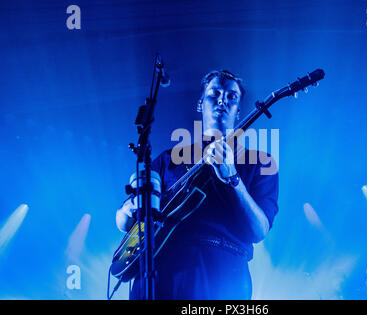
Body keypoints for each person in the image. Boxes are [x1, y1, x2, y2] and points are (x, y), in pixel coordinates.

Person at [116, 70, 279, 299]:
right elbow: (124, 221)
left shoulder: (261, 162)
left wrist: (232, 177)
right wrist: (128, 210)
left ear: (238, 110)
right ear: (201, 104)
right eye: (214, 94)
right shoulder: (168, 158)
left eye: (232, 97)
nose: (223, 100)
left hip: (222, 272)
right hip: (160, 271)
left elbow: (259, 230)